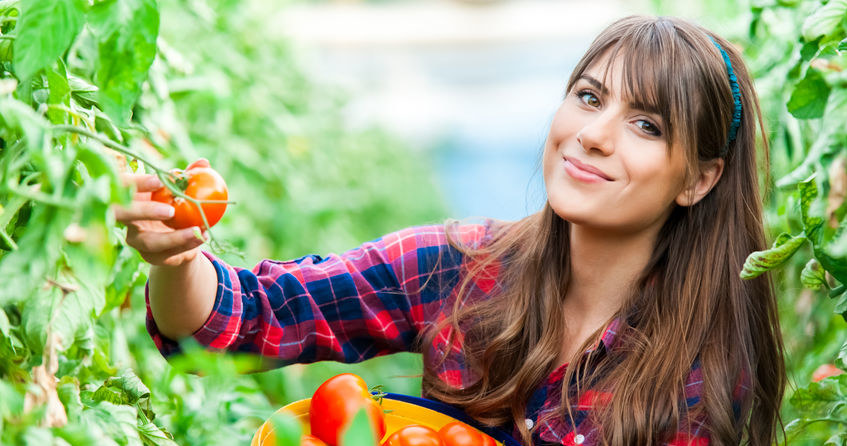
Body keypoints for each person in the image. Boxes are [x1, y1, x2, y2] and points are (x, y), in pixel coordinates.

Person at [115, 15, 785, 446]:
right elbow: (245, 320)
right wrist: (178, 257)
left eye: (646, 125)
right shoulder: (459, 265)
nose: (594, 135)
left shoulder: (700, 370)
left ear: (698, 179)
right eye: (588, 97)